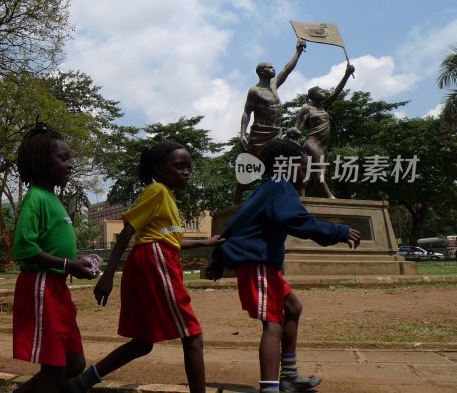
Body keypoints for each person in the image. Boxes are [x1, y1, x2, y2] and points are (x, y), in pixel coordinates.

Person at [64, 141, 225, 393]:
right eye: (179, 166)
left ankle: (81, 383)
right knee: (192, 335)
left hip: (149, 261)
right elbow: (129, 229)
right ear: (159, 168)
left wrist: (206, 241)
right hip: (155, 261)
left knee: (142, 342)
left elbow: (171, 238)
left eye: (189, 167)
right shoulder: (157, 191)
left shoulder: (167, 196)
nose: (186, 172)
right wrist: (108, 276)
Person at [206, 139, 361, 393]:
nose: (306, 173)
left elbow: (234, 226)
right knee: (273, 322)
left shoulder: (267, 188)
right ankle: (270, 387)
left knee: (293, 307)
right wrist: (338, 231)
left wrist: (217, 263)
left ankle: (289, 376)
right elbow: (296, 219)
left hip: (262, 264)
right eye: (302, 167)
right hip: (258, 264)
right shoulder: (280, 187)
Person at [11, 123, 98, 393]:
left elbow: (55, 245)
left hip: (58, 288)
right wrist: (68, 264)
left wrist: (78, 260)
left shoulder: (54, 199)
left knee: (75, 363)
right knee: (54, 368)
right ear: (43, 164)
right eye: (63, 158)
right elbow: (24, 248)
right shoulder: (35, 198)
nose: (70, 164)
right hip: (40, 286)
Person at [235, 39, 307, 203]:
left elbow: (287, 70)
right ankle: (238, 195)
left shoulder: (274, 85)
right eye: (268, 67)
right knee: (251, 166)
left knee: (280, 164)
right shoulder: (255, 90)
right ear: (260, 72)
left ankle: (280, 195)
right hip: (260, 133)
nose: (272, 69)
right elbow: (247, 112)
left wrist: (298, 51)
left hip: (276, 133)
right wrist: (243, 134)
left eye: (272, 66)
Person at [285, 64, 355, 198]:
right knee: (319, 173)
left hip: (323, 146)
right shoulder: (307, 109)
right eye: (321, 91)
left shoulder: (324, 108)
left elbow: (337, 92)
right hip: (312, 144)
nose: (325, 92)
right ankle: (331, 198)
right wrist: (292, 132)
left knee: (313, 174)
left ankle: (301, 197)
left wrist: (346, 75)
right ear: (314, 96)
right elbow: (297, 128)